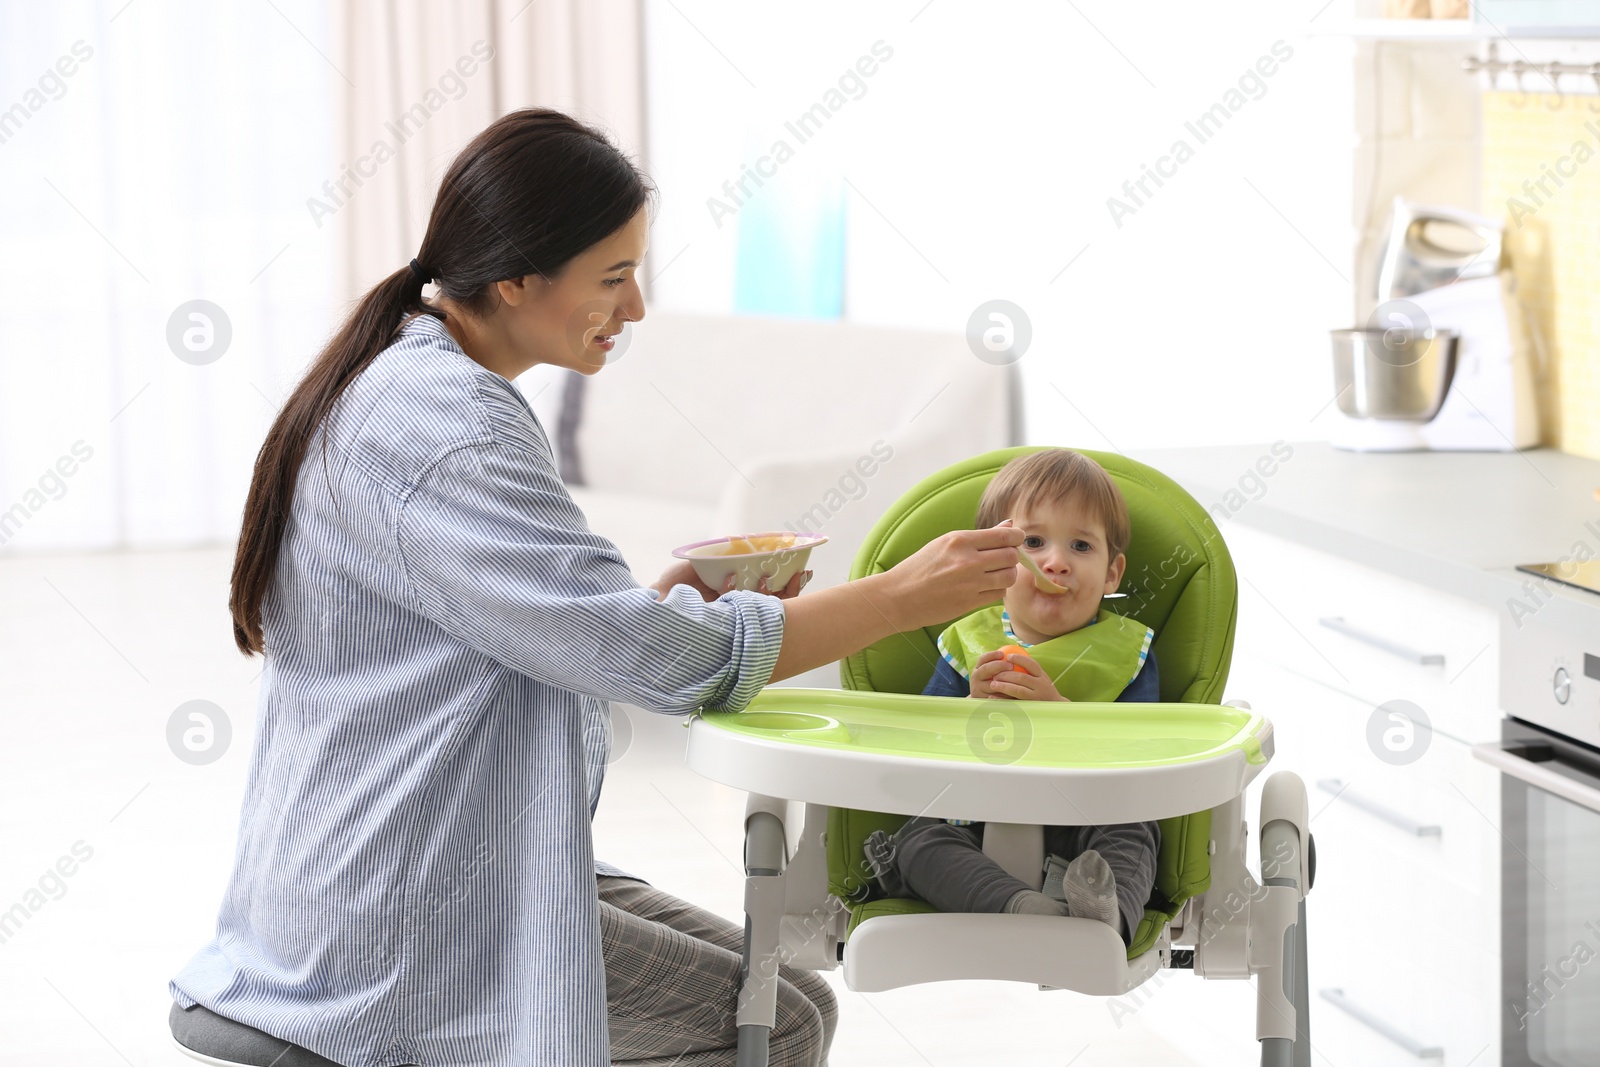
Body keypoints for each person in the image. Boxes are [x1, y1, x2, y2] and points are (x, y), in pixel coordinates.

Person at [164, 108, 1028, 1067]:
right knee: (781, 1025)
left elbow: (540, 627)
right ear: (518, 276)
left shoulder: (420, 380)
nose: (638, 309)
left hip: (421, 863)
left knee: (793, 997)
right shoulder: (446, 425)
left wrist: (652, 607)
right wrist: (902, 597)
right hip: (399, 918)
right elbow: (660, 663)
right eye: (614, 278)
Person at [863, 449, 1162, 946]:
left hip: (1083, 826)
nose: (1057, 562)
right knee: (917, 841)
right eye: (1035, 543)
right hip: (973, 826)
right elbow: (923, 745)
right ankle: (1024, 907)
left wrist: (1059, 717)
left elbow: (1145, 755)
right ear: (997, 562)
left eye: (1082, 547)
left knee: (1134, 833)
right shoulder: (966, 642)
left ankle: (1106, 924)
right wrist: (970, 707)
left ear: (1113, 573)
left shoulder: (1127, 651)